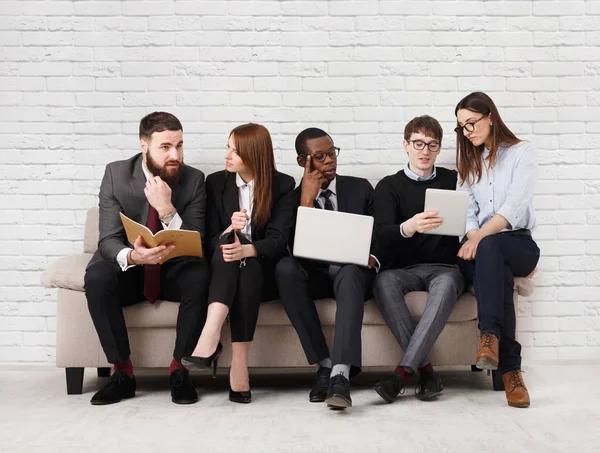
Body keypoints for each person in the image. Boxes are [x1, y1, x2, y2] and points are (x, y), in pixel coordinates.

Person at [84, 112, 209, 405]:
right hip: (131, 270)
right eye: (165, 147)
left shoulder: (193, 180)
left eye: (179, 145)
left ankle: (180, 368)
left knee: (201, 274)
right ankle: (123, 373)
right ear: (144, 145)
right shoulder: (116, 175)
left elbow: (196, 240)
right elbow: (108, 239)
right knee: (97, 276)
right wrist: (133, 256)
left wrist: (166, 209)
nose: (175, 155)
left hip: (171, 269)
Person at [182, 123, 295, 404]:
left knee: (248, 263)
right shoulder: (216, 182)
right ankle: (235, 363)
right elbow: (206, 241)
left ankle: (209, 342)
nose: (227, 155)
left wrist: (249, 249)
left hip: (264, 272)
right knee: (225, 247)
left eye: (235, 150)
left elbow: (279, 240)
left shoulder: (283, 185)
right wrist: (229, 229)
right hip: (225, 269)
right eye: (227, 146)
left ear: (255, 154)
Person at [275, 128, 379, 410]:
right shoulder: (290, 199)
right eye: (320, 156)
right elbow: (288, 247)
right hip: (315, 276)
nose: (330, 160)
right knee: (285, 268)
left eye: (332, 153)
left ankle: (340, 376)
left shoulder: (360, 188)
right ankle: (325, 363)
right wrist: (307, 201)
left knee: (350, 271)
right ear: (302, 162)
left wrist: (371, 256)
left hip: (351, 274)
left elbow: (379, 234)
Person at [455, 92, 540, 408]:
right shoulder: (469, 162)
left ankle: (488, 334)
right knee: (496, 266)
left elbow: (515, 207)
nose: (468, 131)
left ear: (490, 116)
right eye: (462, 127)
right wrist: (474, 236)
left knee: (491, 248)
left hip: (518, 242)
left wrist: (479, 240)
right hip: (484, 250)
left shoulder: (522, 153)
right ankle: (511, 372)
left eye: (472, 122)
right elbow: (466, 211)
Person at [371, 115, 465, 403]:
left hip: (445, 268)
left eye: (432, 145)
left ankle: (401, 374)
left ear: (438, 149)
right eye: (418, 143)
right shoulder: (388, 186)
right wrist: (408, 227)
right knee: (383, 281)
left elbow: (475, 218)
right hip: (403, 270)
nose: (425, 151)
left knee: (448, 283)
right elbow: (380, 234)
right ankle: (425, 372)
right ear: (406, 145)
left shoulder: (455, 180)